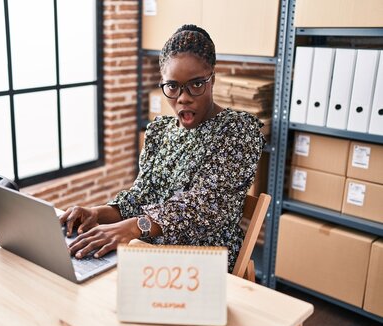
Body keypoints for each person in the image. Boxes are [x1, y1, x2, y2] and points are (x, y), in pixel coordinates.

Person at [60, 24, 265, 272]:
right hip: (150, 252)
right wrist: (97, 213)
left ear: (212, 78)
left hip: (204, 264)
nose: (183, 97)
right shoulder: (159, 131)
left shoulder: (238, 131)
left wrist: (134, 227)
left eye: (196, 85)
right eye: (172, 86)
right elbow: (140, 197)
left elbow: (203, 209)